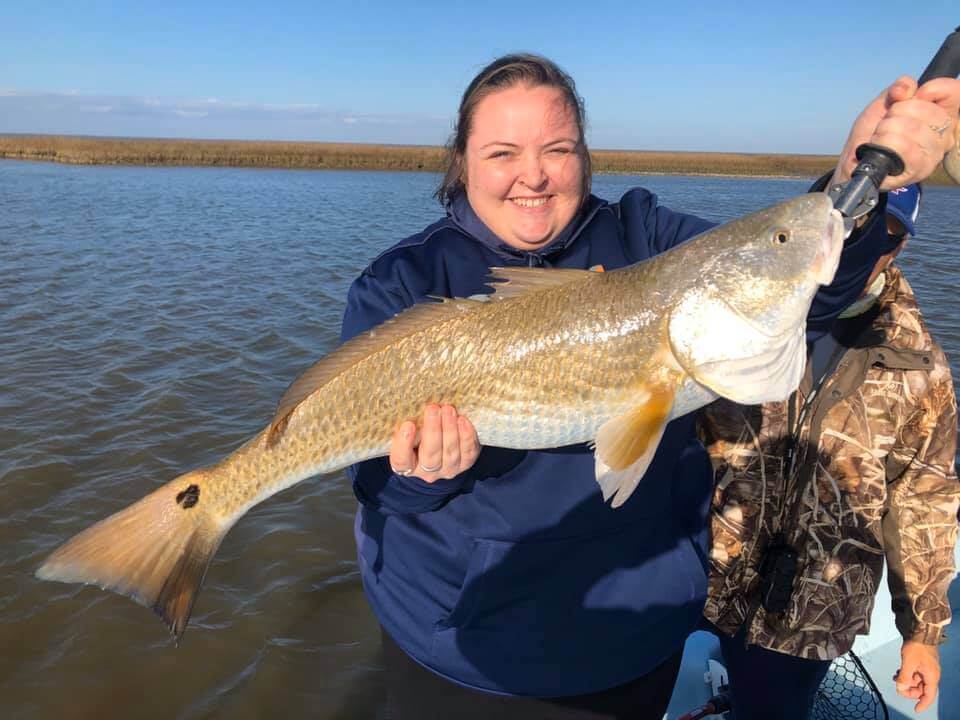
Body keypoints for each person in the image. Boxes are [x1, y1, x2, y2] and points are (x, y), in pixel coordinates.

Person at [339, 54, 960, 719]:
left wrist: (849, 184)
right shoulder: (401, 283)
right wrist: (423, 474)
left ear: (585, 154)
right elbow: (373, 484)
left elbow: (802, 291)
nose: (534, 175)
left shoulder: (648, 234)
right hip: (463, 650)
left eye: (559, 149)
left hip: (634, 637)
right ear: (462, 161)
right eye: (502, 152)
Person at [697, 183, 959, 719]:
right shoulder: (730, 318)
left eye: (882, 232)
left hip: (809, 615)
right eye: (846, 224)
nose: (859, 243)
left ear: (901, 245)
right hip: (700, 576)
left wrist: (922, 633)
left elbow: (922, 502)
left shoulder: (919, 365)